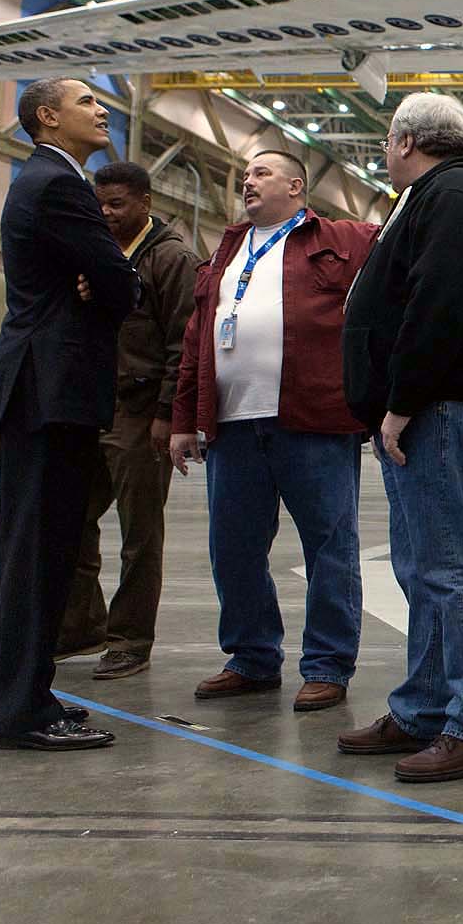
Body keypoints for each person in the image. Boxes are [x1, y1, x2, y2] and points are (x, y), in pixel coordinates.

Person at [337, 94, 463, 783]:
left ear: (406, 139)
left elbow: (438, 302)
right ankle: (425, 705)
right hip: (433, 405)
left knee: (452, 566)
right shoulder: (449, 191)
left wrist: (401, 400)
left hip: (439, 406)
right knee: (424, 567)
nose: (385, 155)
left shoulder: (455, 193)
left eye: (387, 143)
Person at [168, 150, 376, 712]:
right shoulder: (227, 250)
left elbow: (406, 238)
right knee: (232, 550)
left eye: (261, 172)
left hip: (314, 421)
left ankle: (328, 665)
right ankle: (252, 657)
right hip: (233, 426)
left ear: (296, 185)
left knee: (330, 547)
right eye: (245, 174)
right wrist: (184, 418)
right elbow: (197, 339)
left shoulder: (341, 237)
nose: (247, 180)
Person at [0, 77, 137, 752]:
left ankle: (5, 698)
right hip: (52, 388)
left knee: (20, 554)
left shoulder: (31, 179)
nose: (102, 111)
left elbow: (102, 275)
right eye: (86, 103)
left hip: (32, 387)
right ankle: (24, 711)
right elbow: (121, 283)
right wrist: (107, 282)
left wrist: (99, 278)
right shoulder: (62, 184)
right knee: (41, 556)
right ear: (47, 116)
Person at [56, 161, 199, 679]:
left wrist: (168, 413)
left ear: (145, 202)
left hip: (141, 415)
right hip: (90, 409)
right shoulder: (96, 254)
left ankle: (130, 639)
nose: (107, 214)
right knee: (71, 521)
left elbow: (185, 342)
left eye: (117, 204)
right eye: (100, 204)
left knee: (140, 535)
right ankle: (81, 625)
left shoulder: (172, 258)